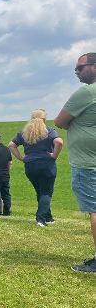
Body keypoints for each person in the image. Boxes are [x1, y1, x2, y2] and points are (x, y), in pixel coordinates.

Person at [54, 52, 96, 273]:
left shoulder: (87, 92)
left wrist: (77, 124)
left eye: (80, 67)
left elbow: (60, 121)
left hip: (89, 162)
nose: (76, 72)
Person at [9, 109, 63, 227]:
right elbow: (59, 142)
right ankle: (41, 219)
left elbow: (11, 145)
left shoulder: (24, 133)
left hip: (30, 165)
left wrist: (21, 158)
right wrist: (54, 155)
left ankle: (48, 217)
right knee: (46, 192)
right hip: (46, 165)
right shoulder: (48, 131)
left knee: (40, 191)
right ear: (44, 119)